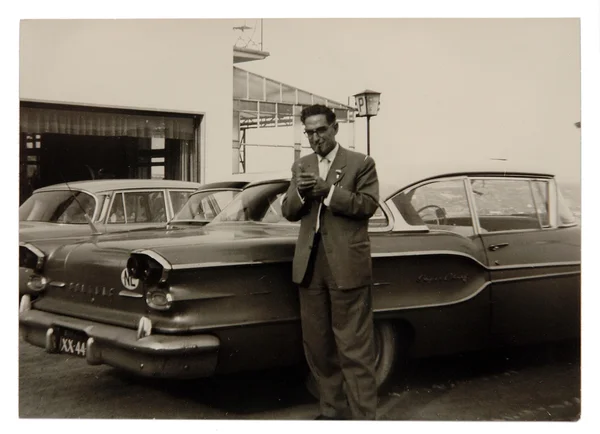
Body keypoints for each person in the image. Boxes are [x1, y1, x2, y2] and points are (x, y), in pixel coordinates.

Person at [281, 104, 380, 420]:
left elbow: (367, 205)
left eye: (320, 130)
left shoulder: (360, 163)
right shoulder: (302, 165)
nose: (315, 138)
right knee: (319, 346)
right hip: (310, 266)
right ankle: (332, 412)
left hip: (347, 266)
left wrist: (328, 192)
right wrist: (299, 191)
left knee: (354, 348)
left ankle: (365, 417)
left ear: (335, 128)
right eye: (309, 132)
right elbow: (288, 211)